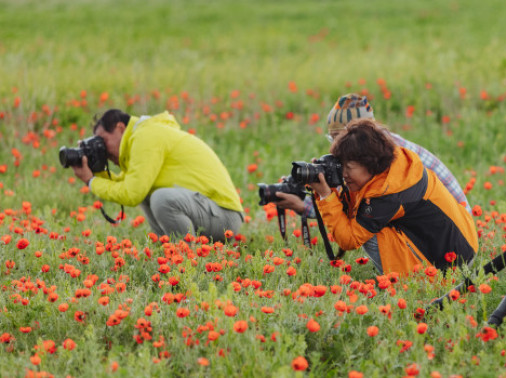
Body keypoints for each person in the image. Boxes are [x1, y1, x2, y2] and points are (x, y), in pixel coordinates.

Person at [276, 93, 470, 273]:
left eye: (340, 138)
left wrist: (322, 197)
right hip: (454, 233)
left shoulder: (389, 182)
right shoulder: (390, 155)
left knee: (371, 233)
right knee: (369, 223)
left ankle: (410, 280)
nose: (336, 151)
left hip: (452, 251)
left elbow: (351, 234)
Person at [307, 119, 478, 276]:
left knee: (371, 234)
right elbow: (356, 203)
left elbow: (349, 240)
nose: (344, 174)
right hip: (463, 244)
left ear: (370, 164)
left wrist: (326, 195)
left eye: (349, 167)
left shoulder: (388, 193)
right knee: (368, 222)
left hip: (453, 263)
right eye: (341, 166)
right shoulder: (396, 168)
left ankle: (407, 284)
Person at [70, 109, 244, 243]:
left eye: (103, 140)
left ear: (119, 128)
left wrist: (91, 181)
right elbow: (126, 185)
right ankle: (168, 252)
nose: (103, 148)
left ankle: (183, 260)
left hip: (224, 215)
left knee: (161, 198)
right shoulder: (143, 137)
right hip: (210, 211)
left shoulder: (146, 136)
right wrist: (96, 169)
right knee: (150, 193)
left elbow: (130, 194)